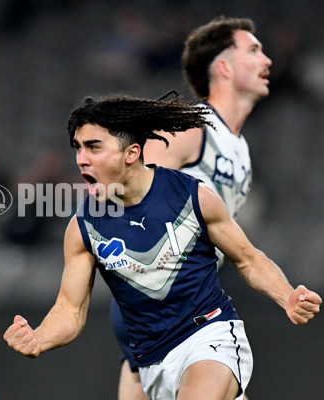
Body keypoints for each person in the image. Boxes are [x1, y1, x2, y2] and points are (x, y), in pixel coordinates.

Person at [3, 94, 321, 400]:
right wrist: (39, 337)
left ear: (131, 153)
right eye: (78, 148)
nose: (81, 159)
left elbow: (249, 260)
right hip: (153, 366)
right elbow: (70, 310)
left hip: (209, 336)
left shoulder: (192, 197)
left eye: (93, 147)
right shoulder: (83, 226)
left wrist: (287, 295)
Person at [110, 16, 273, 400]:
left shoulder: (240, 150)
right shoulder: (191, 127)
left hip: (186, 305)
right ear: (224, 67)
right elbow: (125, 188)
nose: (267, 60)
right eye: (253, 50)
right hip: (165, 305)